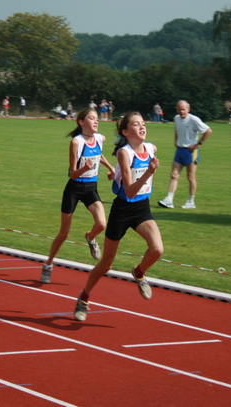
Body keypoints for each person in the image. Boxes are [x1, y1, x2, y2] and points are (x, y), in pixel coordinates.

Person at [74, 111, 163, 321]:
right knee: (106, 264)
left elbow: (123, 178)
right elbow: (129, 191)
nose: (142, 127)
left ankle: (139, 272)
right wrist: (149, 172)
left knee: (157, 249)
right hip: (122, 210)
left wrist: (116, 175)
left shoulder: (151, 149)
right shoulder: (125, 153)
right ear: (125, 132)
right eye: (136, 124)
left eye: (143, 123)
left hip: (142, 209)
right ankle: (84, 297)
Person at [41, 108, 115, 284]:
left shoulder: (100, 138)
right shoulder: (76, 142)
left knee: (102, 224)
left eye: (97, 118)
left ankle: (90, 237)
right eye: (92, 118)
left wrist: (111, 168)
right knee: (64, 233)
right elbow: (73, 174)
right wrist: (85, 168)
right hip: (74, 189)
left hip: (91, 189)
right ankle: (48, 264)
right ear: (81, 122)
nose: (96, 121)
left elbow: (98, 154)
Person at [158, 100, 212, 209]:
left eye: (183, 109)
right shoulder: (176, 118)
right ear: (177, 110)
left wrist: (198, 144)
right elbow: (176, 131)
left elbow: (208, 131)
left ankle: (191, 201)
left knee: (190, 177)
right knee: (174, 175)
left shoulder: (194, 119)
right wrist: (176, 141)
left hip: (191, 151)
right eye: (180, 109)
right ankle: (169, 200)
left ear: (188, 109)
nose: (182, 111)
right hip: (180, 150)